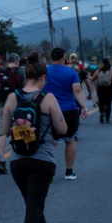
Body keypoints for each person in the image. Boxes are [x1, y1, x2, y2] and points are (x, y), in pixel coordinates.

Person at [0, 53, 67, 223]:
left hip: (18, 161)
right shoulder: (48, 98)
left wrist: (1, 155)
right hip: (42, 160)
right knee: (34, 205)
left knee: (32, 203)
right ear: (43, 77)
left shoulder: (12, 98)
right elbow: (63, 129)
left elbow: (3, 129)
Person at [42, 48, 88, 180]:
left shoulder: (45, 71)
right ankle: (69, 171)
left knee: (51, 142)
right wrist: (84, 107)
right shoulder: (71, 72)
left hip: (49, 110)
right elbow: (77, 91)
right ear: (63, 57)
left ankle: (49, 173)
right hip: (69, 109)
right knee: (70, 140)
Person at [0, 54, 23, 175]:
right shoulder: (20, 71)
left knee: (2, 133)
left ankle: (1, 160)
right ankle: (21, 158)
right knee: (21, 130)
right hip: (18, 106)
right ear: (16, 61)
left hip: (2, 106)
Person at [89, 57, 112, 124]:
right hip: (109, 89)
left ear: (102, 64)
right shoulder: (111, 71)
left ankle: (101, 114)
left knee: (101, 103)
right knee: (108, 103)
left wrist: (89, 76)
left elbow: (92, 79)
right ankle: (107, 119)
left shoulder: (98, 71)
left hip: (100, 89)